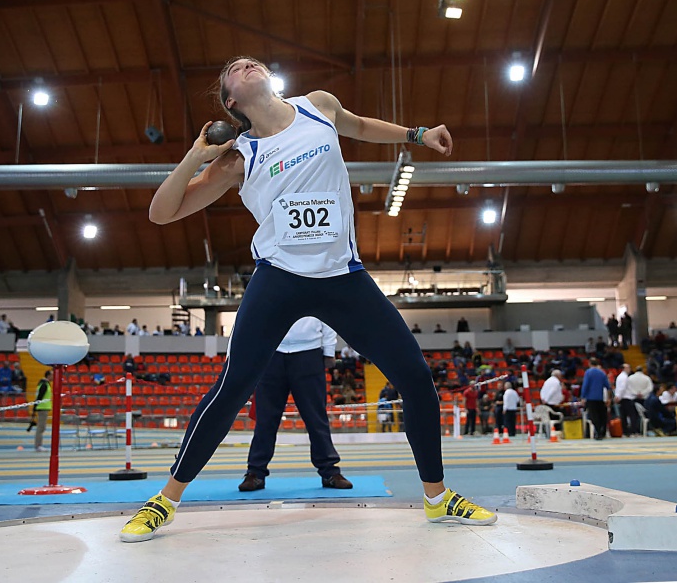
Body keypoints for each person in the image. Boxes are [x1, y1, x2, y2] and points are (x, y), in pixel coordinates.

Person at [120, 56, 495, 542]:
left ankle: (438, 498)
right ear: (231, 101)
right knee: (232, 387)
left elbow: (361, 126)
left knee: (416, 376)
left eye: (251, 61)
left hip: (343, 276)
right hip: (279, 278)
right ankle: (164, 501)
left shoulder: (319, 106)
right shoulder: (238, 157)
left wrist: (416, 134)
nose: (246, 64)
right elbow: (161, 213)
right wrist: (196, 156)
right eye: (235, 68)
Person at [238, 317, 352, 491]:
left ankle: (330, 471)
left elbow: (327, 315)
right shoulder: (264, 295)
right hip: (271, 351)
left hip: (309, 353)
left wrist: (329, 350)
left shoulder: (319, 295)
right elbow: (253, 315)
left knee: (316, 418)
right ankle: (255, 472)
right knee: (265, 419)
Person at [581, 358, 612, 440]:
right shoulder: (602, 373)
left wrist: (583, 396)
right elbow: (608, 386)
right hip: (600, 398)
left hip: (591, 398)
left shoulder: (588, 372)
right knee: (601, 415)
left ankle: (597, 432)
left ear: (589, 363)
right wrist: (609, 398)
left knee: (593, 416)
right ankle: (602, 431)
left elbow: (585, 385)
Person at [615, 363, 638, 436]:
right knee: (632, 415)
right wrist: (618, 396)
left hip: (624, 398)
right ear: (624, 369)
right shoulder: (623, 377)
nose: (629, 369)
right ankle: (632, 430)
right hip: (626, 398)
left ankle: (626, 431)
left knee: (624, 415)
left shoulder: (623, 377)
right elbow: (622, 388)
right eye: (628, 368)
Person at [33, 370, 53, 451]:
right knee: (41, 427)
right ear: (48, 375)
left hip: (44, 407)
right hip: (42, 408)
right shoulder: (44, 384)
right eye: (52, 375)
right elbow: (39, 397)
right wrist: (35, 407)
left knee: (42, 427)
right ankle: (38, 445)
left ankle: (38, 445)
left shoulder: (45, 384)